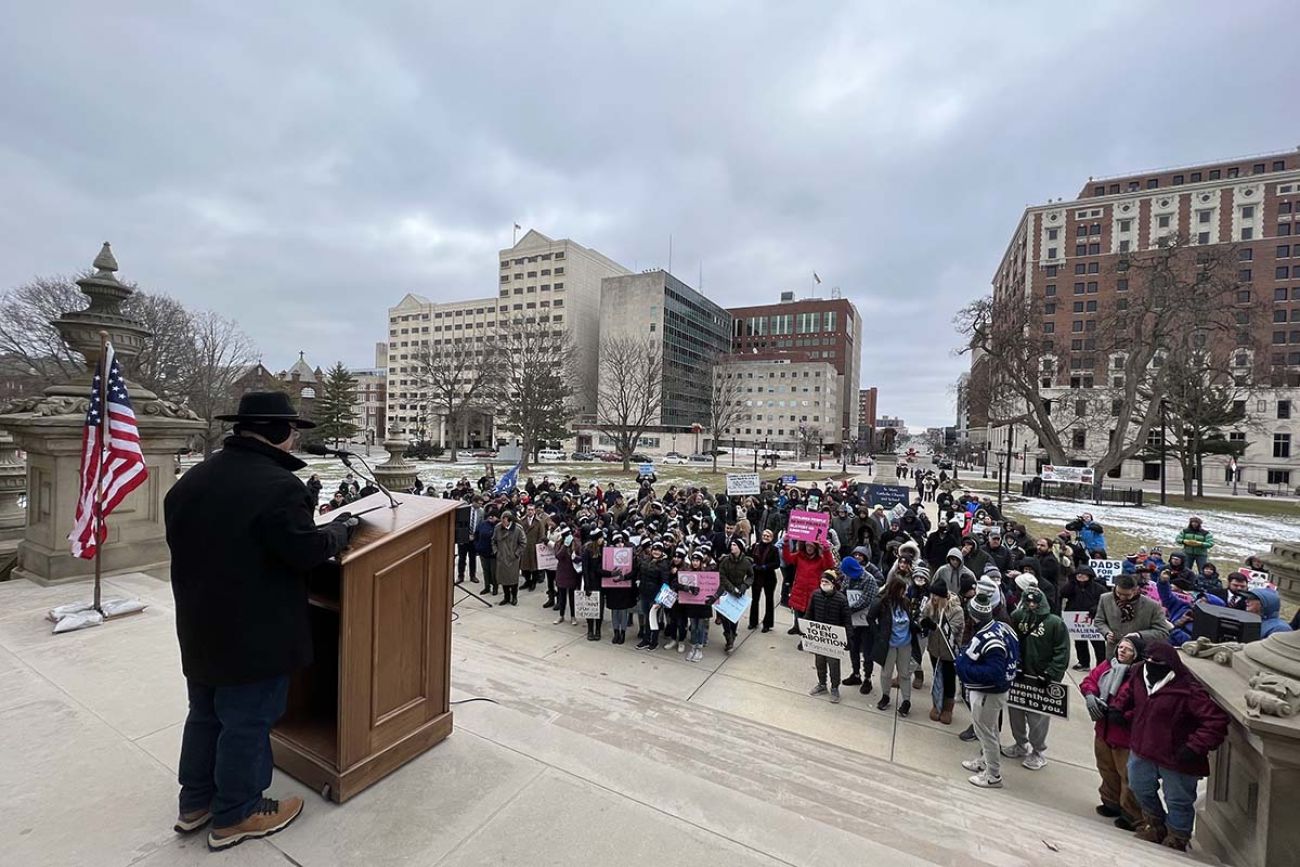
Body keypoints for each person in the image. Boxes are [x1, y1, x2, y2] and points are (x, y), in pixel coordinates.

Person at [165, 392, 354, 849]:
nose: (293, 441)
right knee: (248, 720)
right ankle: (238, 812)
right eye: (290, 431)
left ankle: (197, 802)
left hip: (200, 624)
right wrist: (338, 531)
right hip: (255, 630)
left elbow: (232, 541)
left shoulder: (193, 479)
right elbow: (304, 552)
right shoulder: (278, 487)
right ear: (273, 432)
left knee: (206, 713)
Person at [1111, 641, 1229, 852]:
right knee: (1138, 785)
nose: (1151, 664)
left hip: (1177, 756)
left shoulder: (1188, 689)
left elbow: (1216, 721)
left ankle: (1177, 836)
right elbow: (1129, 694)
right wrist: (1119, 709)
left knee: (1178, 799)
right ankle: (1155, 825)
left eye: (1157, 661)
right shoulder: (1140, 673)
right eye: (1148, 659)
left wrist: (1194, 746)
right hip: (1143, 747)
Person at [1079, 636, 1145, 832]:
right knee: (1106, 768)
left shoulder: (1139, 676)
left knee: (1127, 776)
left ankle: (1131, 814)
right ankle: (1110, 802)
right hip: (1103, 728)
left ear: (1136, 655)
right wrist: (1091, 695)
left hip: (1123, 736)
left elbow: (1143, 705)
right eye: (1120, 647)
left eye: (1128, 650)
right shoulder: (1108, 665)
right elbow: (1089, 681)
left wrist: (1124, 715)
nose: (1122, 652)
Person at [956, 591, 1020, 789]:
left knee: (986, 732)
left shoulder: (990, 639)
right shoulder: (1003, 627)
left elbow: (995, 672)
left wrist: (964, 669)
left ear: (974, 615)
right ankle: (985, 761)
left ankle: (993, 775)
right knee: (988, 730)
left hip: (989, 693)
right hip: (993, 692)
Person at [1002, 587, 1069, 771]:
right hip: (1019, 676)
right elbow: (1010, 641)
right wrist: (1015, 664)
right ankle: (1020, 744)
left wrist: (1051, 674)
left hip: (1041, 679)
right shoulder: (1017, 616)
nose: (1031, 605)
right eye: (1028, 601)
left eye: (1035, 602)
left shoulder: (1055, 623)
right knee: (1015, 713)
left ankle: (1038, 751)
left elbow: (1062, 651)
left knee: (1037, 719)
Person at [869, 576, 919, 716]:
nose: (904, 594)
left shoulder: (906, 603)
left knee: (904, 674)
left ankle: (906, 701)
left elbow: (911, 620)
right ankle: (885, 696)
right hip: (889, 644)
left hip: (905, 644)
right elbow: (870, 618)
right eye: (902, 591)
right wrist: (878, 635)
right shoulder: (882, 603)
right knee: (886, 672)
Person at [1093, 574, 1171, 659]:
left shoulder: (1152, 606)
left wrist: (1139, 635)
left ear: (1136, 590)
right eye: (1119, 593)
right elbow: (1099, 621)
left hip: (1140, 655)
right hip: (1113, 653)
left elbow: (1163, 632)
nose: (1122, 597)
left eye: (1127, 595)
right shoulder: (1105, 598)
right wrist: (1106, 633)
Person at [919, 577, 964, 725]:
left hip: (949, 652)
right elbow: (922, 617)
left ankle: (948, 708)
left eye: (936, 596)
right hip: (934, 649)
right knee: (937, 676)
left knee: (949, 679)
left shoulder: (956, 610)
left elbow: (953, 630)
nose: (933, 598)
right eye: (932, 595)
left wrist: (934, 627)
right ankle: (936, 704)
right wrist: (923, 623)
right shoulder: (930, 605)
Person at [806, 570, 851, 703]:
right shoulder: (815, 595)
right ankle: (822, 684)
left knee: (833, 664)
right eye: (822, 581)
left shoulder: (841, 599)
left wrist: (848, 638)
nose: (823, 584)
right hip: (819, 637)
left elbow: (847, 621)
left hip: (834, 639)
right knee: (819, 662)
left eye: (826, 582)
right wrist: (803, 628)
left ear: (833, 583)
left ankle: (835, 688)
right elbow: (809, 613)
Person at [841, 555, 881, 694]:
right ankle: (855, 674)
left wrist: (847, 609)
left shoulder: (869, 579)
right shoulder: (848, 577)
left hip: (866, 621)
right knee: (853, 648)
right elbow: (843, 591)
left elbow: (866, 600)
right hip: (852, 621)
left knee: (867, 652)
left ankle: (867, 678)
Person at [783, 539, 835, 636]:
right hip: (799, 588)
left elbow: (829, 565)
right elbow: (787, 559)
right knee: (797, 610)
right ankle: (796, 626)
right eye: (807, 546)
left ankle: (806, 632)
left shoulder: (820, 559)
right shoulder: (799, 556)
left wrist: (827, 550)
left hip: (813, 590)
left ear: (815, 547)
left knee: (809, 613)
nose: (809, 548)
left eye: (811, 546)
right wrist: (786, 544)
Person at [1061, 565, 1106, 671]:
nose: (1080, 576)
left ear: (1089, 576)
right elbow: (1063, 593)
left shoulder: (1098, 588)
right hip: (1076, 620)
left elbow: (1105, 601)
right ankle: (1084, 662)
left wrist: (1096, 608)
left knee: (1098, 644)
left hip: (1093, 619)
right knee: (1080, 642)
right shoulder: (1072, 586)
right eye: (1078, 574)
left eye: (1083, 574)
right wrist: (1071, 582)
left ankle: (1101, 665)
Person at [717, 538, 754, 653]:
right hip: (726, 591)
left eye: (734, 545)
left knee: (734, 617)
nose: (732, 547)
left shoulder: (746, 562)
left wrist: (744, 586)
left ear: (740, 548)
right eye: (731, 544)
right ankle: (728, 637)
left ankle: (733, 633)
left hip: (739, 592)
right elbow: (722, 576)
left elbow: (750, 576)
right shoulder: (725, 561)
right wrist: (732, 589)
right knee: (724, 616)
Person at [748, 529, 781, 633]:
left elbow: (777, 563)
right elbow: (749, 557)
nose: (766, 537)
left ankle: (767, 624)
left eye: (768, 536)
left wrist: (766, 567)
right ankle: (753, 622)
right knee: (755, 600)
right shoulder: (755, 546)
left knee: (769, 601)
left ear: (771, 538)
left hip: (769, 578)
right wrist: (752, 565)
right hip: (756, 577)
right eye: (764, 535)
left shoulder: (774, 549)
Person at [492, 509, 527, 606]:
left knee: (513, 579)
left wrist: (516, 554)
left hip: (513, 559)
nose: (503, 522)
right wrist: (496, 552)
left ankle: (514, 597)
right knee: (503, 579)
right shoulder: (497, 528)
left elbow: (523, 543)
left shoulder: (518, 529)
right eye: (502, 520)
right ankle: (506, 597)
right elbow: (493, 541)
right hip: (501, 558)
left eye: (505, 520)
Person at [552, 530, 581, 626]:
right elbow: (558, 556)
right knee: (562, 596)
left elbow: (580, 555)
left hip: (572, 573)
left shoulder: (576, 543)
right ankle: (561, 615)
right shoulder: (559, 543)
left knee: (572, 597)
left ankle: (573, 616)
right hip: (562, 573)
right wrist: (565, 545)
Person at [456, 498, 481, 584]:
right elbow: (459, 524)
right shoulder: (464, 510)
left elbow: (480, 525)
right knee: (462, 558)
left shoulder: (481, 511)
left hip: (474, 539)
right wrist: (464, 536)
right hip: (463, 539)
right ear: (474, 502)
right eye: (479, 503)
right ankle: (460, 576)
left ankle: (472, 575)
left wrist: (475, 536)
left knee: (472, 558)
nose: (480, 505)